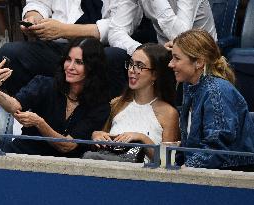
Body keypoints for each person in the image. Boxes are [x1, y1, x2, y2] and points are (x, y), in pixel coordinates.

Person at [0, 37, 111, 158]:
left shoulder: (99, 106)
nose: (70, 67)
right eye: (68, 59)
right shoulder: (44, 84)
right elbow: (14, 105)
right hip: (23, 155)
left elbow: (67, 146)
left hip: (63, 169)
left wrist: (39, 123)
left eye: (79, 62)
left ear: (93, 68)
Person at [0, 0, 128, 98]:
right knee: (10, 54)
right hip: (57, 47)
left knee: (115, 57)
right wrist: (34, 17)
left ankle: (99, 122)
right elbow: (38, 3)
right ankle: (29, 116)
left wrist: (64, 30)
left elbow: (119, 26)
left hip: (100, 48)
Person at [169, 29, 254, 170]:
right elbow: (192, 145)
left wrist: (184, 170)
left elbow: (216, 148)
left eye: (177, 58)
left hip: (230, 177)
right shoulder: (190, 86)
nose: (170, 64)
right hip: (201, 173)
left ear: (199, 62)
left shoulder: (216, 90)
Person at [83, 43, 180, 163]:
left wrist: (142, 139)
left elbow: (168, 161)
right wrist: (96, 136)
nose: (131, 70)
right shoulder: (117, 103)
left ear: (155, 74)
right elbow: (103, 145)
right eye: (130, 64)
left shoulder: (169, 113)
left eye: (139, 66)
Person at [108, 0, 217, 56]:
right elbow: (116, 31)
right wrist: (144, 51)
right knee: (113, 57)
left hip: (200, 52)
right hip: (163, 54)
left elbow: (182, 38)